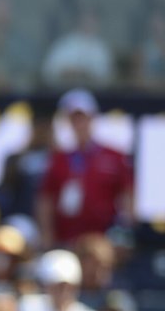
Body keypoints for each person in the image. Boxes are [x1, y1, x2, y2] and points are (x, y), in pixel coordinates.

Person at [36, 88, 134, 248]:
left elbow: (128, 195)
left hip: (103, 241)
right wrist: (47, 234)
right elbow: (46, 199)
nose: (79, 124)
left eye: (82, 118)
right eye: (74, 119)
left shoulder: (114, 156)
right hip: (66, 237)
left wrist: (124, 232)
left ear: (92, 118)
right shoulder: (58, 159)